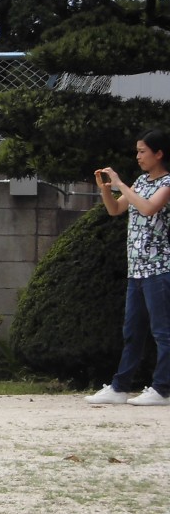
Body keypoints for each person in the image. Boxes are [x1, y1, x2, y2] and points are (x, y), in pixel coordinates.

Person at [85, 129, 170, 405]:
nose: (138, 157)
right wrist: (106, 189)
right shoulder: (141, 182)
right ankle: (119, 388)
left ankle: (162, 389)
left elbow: (148, 208)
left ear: (159, 154)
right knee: (132, 332)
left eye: (143, 151)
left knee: (162, 332)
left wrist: (120, 183)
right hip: (137, 271)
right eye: (137, 151)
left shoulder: (167, 183)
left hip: (159, 268)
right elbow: (115, 209)